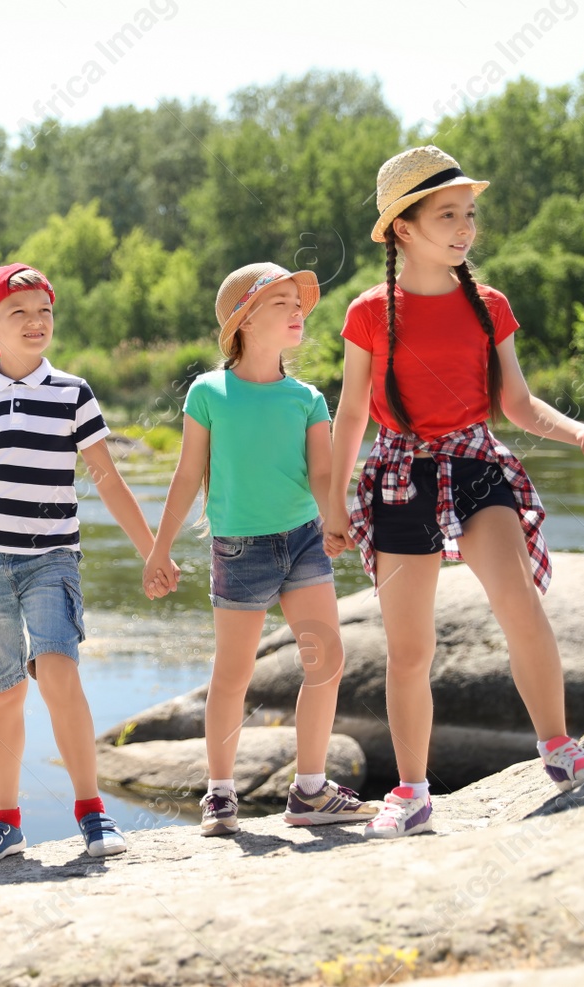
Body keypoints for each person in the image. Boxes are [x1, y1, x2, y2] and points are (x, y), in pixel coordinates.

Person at [325, 147, 584, 840]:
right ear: (403, 227)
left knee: (520, 603)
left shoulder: (489, 306)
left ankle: (558, 748)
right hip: (399, 476)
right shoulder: (369, 312)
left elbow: (517, 403)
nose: (464, 228)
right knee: (409, 647)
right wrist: (333, 503)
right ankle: (413, 791)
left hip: (478, 464)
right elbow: (351, 414)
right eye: (447, 214)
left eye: (469, 214)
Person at [0, 263, 177, 864]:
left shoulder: (73, 392)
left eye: (44, 311)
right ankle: (6, 822)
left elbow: (108, 480)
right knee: (4, 692)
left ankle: (92, 813)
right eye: (19, 313)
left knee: (61, 675)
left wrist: (152, 550)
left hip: (51, 560)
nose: (36, 322)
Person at [143, 262, 375, 836]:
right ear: (244, 319)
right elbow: (186, 474)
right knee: (233, 674)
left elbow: (323, 475)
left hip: (302, 543)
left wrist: (336, 517)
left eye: (299, 303)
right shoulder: (208, 393)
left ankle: (310, 791)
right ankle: (220, 796)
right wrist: (159, 550)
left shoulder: (308, 401)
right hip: (239, 549)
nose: (298, 311)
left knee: (327, 661)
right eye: (282, 302)